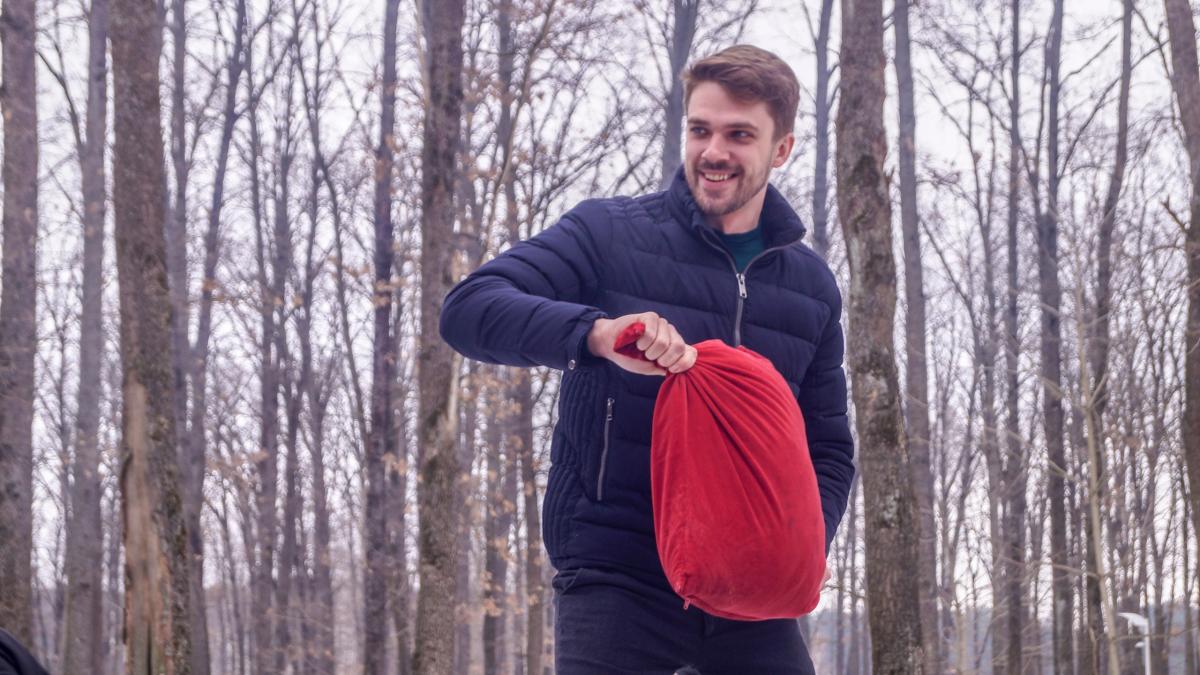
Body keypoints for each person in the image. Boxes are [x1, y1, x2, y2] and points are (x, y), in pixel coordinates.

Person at [440, 44, 854, 674]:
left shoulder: (810, 286)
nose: (713, 151)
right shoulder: (609, 234)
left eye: (739, 135)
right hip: (617, 577)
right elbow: (469, 309)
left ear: (782, 149)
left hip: (752, 598)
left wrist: (798, 545)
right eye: (700, 130)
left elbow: (827, 447)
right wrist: (595, 334)